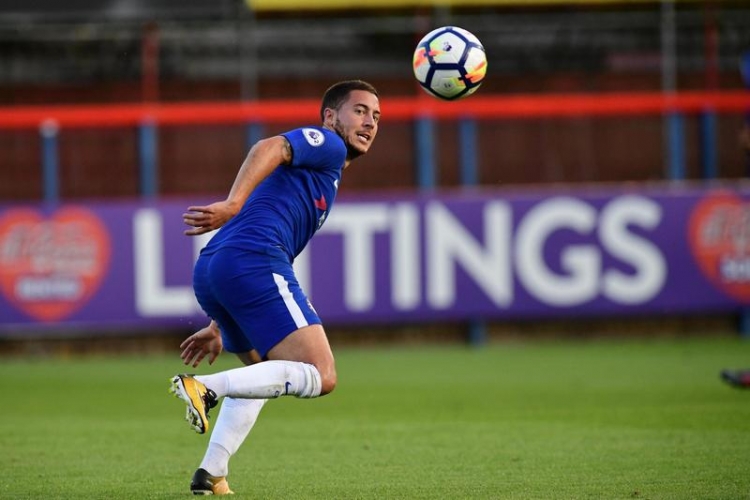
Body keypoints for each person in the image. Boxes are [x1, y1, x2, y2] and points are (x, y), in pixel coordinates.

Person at [169, 80, 380, 495]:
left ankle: (211, 473)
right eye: (359, 111)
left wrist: (219, 322)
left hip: (217, 267)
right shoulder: (328, 145)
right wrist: (232, 203)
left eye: (376, 116)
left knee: (259, 375)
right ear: (330, 117)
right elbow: (270, 146)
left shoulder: (324, 172)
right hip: (253, 260)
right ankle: (205, 389)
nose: (370, 122)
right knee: (322, 375)